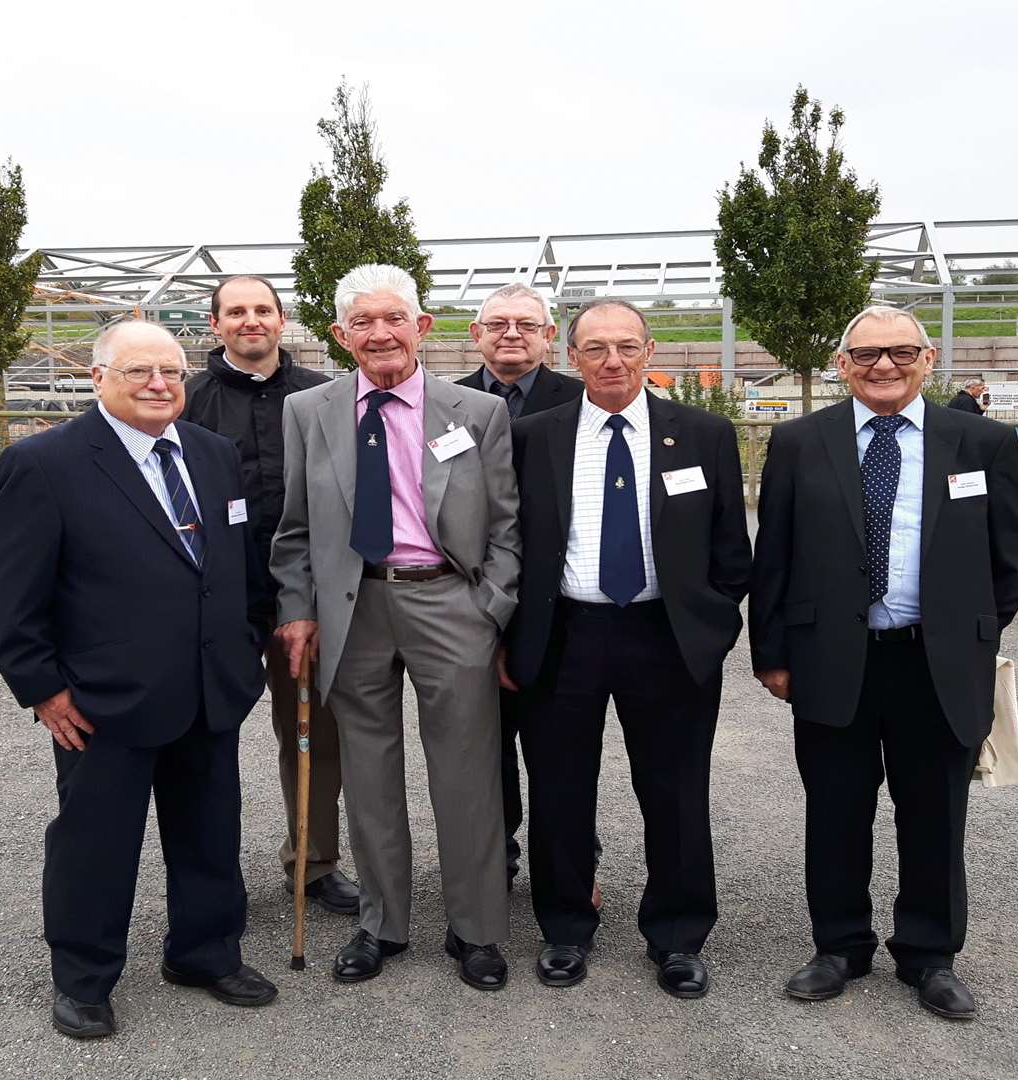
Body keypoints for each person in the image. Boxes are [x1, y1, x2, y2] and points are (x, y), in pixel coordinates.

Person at [0, 320, 277, 1040]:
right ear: (98, 378)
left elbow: (233, 565)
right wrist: (42, 688)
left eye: (171, 372)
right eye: (139, 371)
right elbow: (9, 592)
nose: (158, 385)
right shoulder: (46, 464)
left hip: (207, 690)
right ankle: (84, 978)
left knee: (210, 832)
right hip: (99, 701)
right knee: (95, 845)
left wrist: (242, 648)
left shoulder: (210, 454)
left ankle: (204, 953)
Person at [750, 305, 1018, 1022]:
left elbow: (1012, 555)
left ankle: (929, 955)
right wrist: (772, 654)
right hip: (831, 659)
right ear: (842, 365)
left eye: (901, 352)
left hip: (936, 663)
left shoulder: (983, 442)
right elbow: (774, 558)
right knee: (837, 812)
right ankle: (840, 947)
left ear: (929, 357)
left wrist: (966, 634)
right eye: (868, 354)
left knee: (935, 813)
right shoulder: (798, 442)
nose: (885, 366)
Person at [270, 263, 521, 991]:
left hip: (450, 605)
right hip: (355, 607)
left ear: (421, 327)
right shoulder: (310, 412)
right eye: (362, 323)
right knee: (371, 777)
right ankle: (382, 923)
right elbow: (292, 530)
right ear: (341, 335)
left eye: (393, 319)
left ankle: (476, 930)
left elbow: (507, 526)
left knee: (468, 774)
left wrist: (489, 608)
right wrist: (298, 611)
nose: (380, 334)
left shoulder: (475, 413)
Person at [502, 299, 753, 999]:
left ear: (650, 352)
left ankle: (677, 936)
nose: (612, 360)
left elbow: (732, 550)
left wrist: (708, 625)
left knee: (674, 792)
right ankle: (564, 927)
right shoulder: (535, 435)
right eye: (595, 348)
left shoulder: (704, 434)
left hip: (665, 638)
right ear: (571, 357)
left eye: (626, 347)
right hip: (564, 635)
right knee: (558, 790)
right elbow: (513, 543)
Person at [182, 275, 359, 916]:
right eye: (236, 311)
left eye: (263, 309)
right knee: (206, 736)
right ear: (215, 324)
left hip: (304, 599)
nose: (250, 320)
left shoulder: (325, 397)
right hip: (217, 602)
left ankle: (312, 865)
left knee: (312, 733)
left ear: (283, 321)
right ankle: (210, 876)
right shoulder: (186, 400)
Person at [453, 283, 585, 892]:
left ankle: (572, 858)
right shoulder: (443, 404)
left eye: (527, 325)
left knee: (559, 742)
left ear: (550, 337)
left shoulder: (583, 401)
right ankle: (495, 851)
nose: (512, 334)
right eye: (498, 323)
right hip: (470, 598)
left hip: (561, 600)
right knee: (484, 739)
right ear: (475, 335)